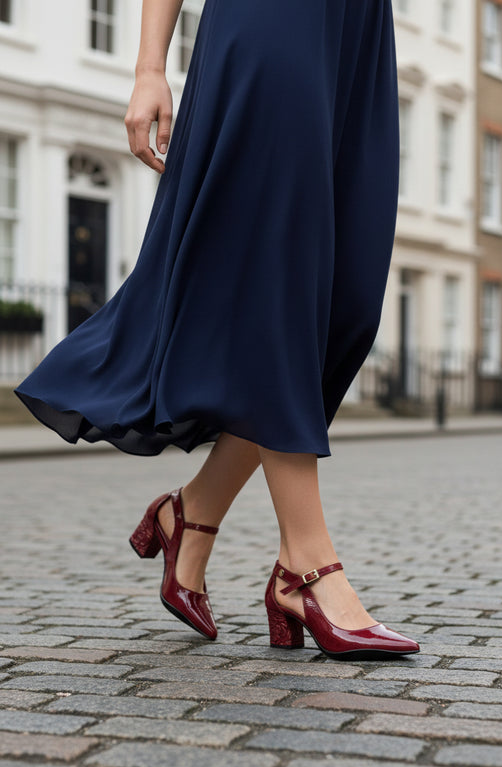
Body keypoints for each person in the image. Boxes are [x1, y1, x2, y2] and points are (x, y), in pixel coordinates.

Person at [15, 0, 420, 659]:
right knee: (276, 282)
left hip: (358, 28)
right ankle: (306, 567)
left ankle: (191, 512)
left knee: (344, 306)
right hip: (272, 18)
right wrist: (150, 67)